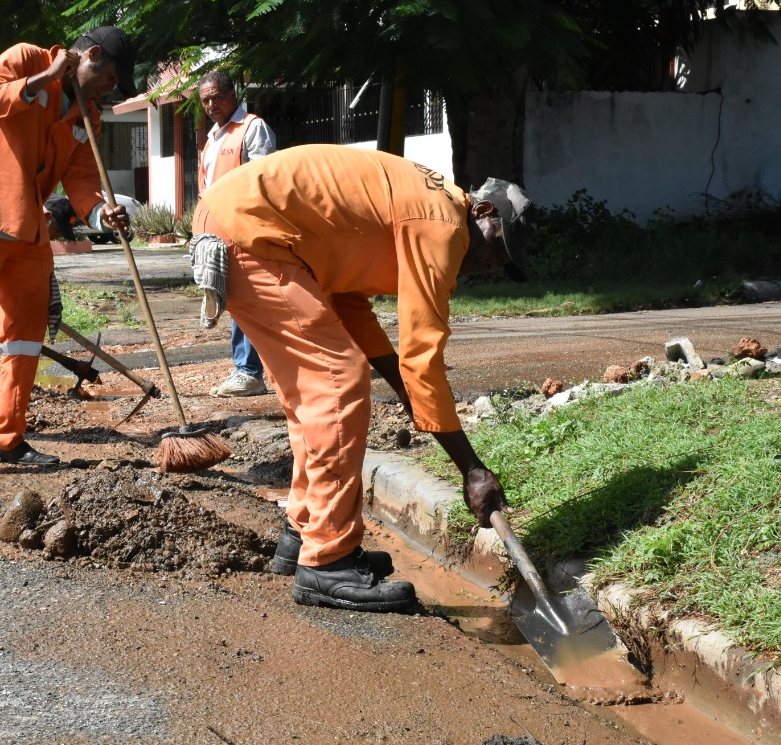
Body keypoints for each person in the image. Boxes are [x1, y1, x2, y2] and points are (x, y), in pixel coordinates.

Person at [192, 144, 536, 612]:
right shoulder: (442, 224)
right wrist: (472, 470)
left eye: (503, 266)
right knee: (337, 382)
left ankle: (306, 529)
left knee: (312, 395)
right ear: (482, 211)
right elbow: (424, 358)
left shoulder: (420, 207)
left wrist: (406, 389)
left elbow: (348, 302)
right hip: (252, 232)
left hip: (245, 224)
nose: (489, 266)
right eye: (498, 249)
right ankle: (328, 562)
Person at [0, 26, 137, 478]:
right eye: (109, 80)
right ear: (92, 55)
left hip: (28, 228)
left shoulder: (89, 117)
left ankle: (6, 438)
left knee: (26, 333)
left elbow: (82, 179)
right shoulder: (27, 59)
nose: (109, 91)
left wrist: (103, 214)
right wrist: (43, 77)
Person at [197, 71, 277, 398]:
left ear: (233, 93)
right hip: (219, 231)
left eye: (217, 97)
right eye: (205, 100)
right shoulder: (214, 137)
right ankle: (249, 367)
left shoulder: (252, 128)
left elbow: (264, 180)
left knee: (245, 299)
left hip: (245, 229)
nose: (212, 104)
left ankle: (249, 371)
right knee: (234, 299)